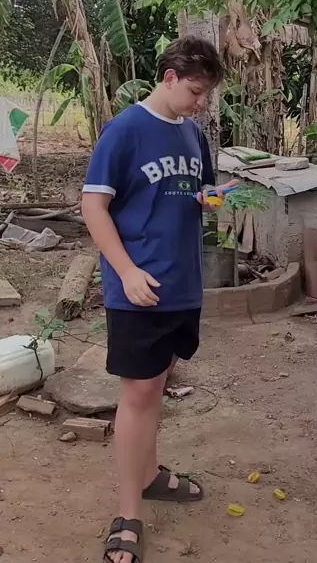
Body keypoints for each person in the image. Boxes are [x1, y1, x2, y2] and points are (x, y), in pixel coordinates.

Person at [82, 36, 238, 563]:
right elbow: (93, 206)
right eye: (195, 91)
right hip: (139, 288)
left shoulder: (193, 135)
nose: (200, 102)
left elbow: (195, 193)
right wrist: (125, 271)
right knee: (140, 392)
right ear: (169, 77)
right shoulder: (125, 130)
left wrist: (210, 199)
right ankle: (128, 514)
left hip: (183, 285)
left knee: (159, 382)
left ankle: (149, 475)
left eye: (206, 93)